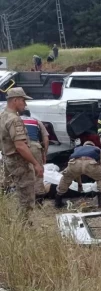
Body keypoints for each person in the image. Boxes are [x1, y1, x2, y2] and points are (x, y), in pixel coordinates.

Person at [0, 87, 44, 221]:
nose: (25, 104)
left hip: (7, 158)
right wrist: (36, 163)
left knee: (14, 191)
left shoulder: (3, 116)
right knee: (26, 196)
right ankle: (24, 226)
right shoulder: (14, 119)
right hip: (18, 161)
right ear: (15, 100)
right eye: (23, 100)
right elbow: (20, 145)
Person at [55, 141, 101, 208]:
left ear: (84, 145)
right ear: (93, 145)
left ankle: (58, 200)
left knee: (66, 179)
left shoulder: (77, 148)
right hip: (90, 163)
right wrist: (100, 173)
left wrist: (80, 186)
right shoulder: (97, 149)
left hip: (74, 164)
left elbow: (77, 173)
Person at [19, 108, 49, 205]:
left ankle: (21, 199)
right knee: (38, 172)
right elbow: (46, 139)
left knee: (20, 171)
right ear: (29, 114)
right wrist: (44, 153)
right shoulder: (36, 121)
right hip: (34, 147)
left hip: (19, 147)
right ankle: (39, 201)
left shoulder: (14, 120)